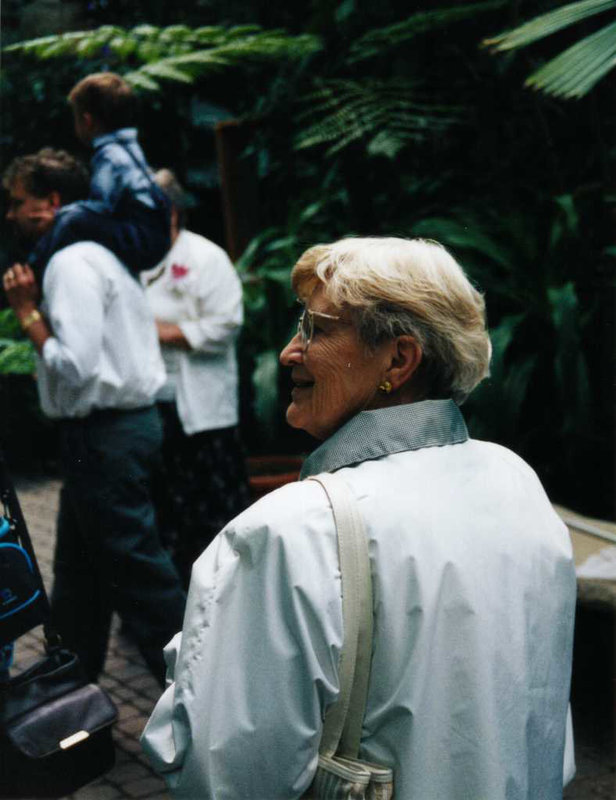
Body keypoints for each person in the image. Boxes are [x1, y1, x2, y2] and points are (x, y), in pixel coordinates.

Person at [142, 236, 577, 799]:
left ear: (398, 359)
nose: (288, 352)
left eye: (316, 329)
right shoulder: (513, 479)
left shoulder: (290, 530)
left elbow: (223, 776)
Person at [2, 148, 186, 686]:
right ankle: (70, 690)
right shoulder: (98, 254)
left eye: (19, 203)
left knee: (143, 579)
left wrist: (27, 314)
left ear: (51, 202)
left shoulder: (70, 263)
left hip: (106, 434)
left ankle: (199, 695)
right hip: (107, 434)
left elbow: (75, 366)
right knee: (79, 577)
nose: (10, 214)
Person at [141, 169, 250, 587]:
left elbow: (226, 324)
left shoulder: (205, 257)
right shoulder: (134, 258)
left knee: (212, 516)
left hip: (202, 412)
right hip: (152, 403)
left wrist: (161, 333)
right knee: (164, 511)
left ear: (172, 213)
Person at [28, 72, 170, 277]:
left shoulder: (109, 155)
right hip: (156, 235)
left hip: (140, 238)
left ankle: (35, 270)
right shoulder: (129, 146)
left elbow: (102, 207)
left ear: (87, 121)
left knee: (72, 218)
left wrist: (60, 215)